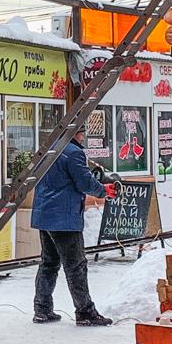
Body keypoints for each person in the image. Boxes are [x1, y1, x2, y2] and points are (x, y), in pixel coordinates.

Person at [30, 137, 113, 326]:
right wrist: (103, 191)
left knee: (48, 263)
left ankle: (42, 309)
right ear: (77, 133)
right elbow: (84, 183)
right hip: (64, 217)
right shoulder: (74, 153)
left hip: (44, 214)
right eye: (83, 132)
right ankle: (85, 312)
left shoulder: (48, 148)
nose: (84, 137)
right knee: (76, 266)